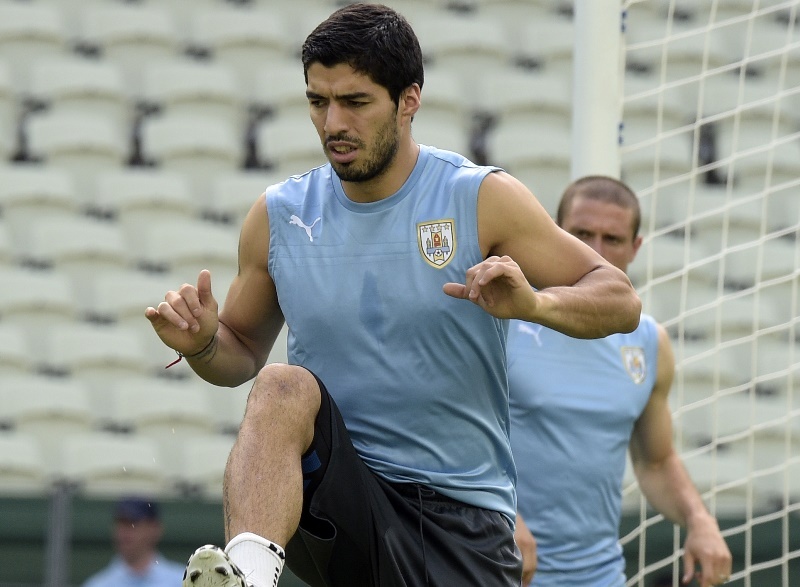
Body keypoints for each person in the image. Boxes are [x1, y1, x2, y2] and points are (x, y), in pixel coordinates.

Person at [145, 5, 641, 587]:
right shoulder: (279, 215)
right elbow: (240, 353)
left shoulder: (478, 198)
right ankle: (249, 578)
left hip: (460, 518)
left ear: (409, 100)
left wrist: (534, 304)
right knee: (281, 386)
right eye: (317, 102)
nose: (333, 123)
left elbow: (619, 298)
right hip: (341, 501)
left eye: (355, 102)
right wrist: (205, 343)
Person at [509, 176, 733, 587]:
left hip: (603, 575)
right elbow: (451, 436)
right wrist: (501, 515)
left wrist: (700, 519)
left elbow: (655, 461)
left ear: (635, 248)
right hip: (504, 570)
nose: (594, 250)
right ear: (555, 233)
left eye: (612, 238)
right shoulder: (508, 318)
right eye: (581, 234)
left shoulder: (648, 342)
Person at [82, 497, 184, 587]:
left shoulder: (182, 582)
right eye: (120, 523)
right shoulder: (97, 584)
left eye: (132, 524)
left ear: (154, 528)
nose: (124, 532)